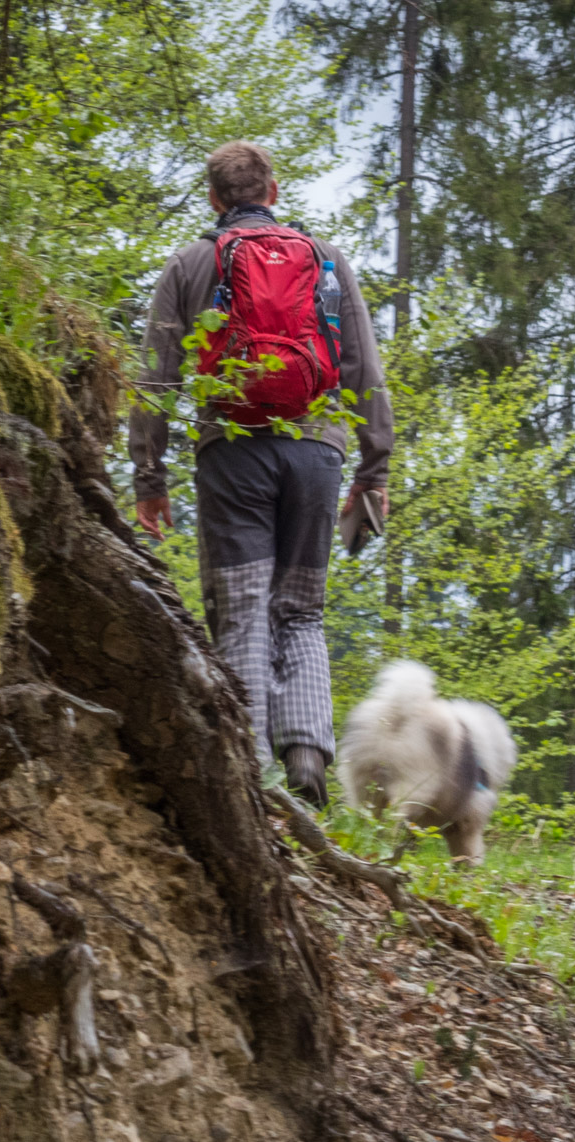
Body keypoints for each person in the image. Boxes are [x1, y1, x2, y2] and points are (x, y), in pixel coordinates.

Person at [129, 140, 394, 806]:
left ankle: (244, 769)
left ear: (215, 199)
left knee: (242, 614)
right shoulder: (327, 262)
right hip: (317, 453)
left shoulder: (191, 263)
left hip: (233, 450)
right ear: (273, 191)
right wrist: (375, 466)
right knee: (301, 612)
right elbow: (364, 367)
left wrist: (148, 479)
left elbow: (154, 379)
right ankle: (306, 754)